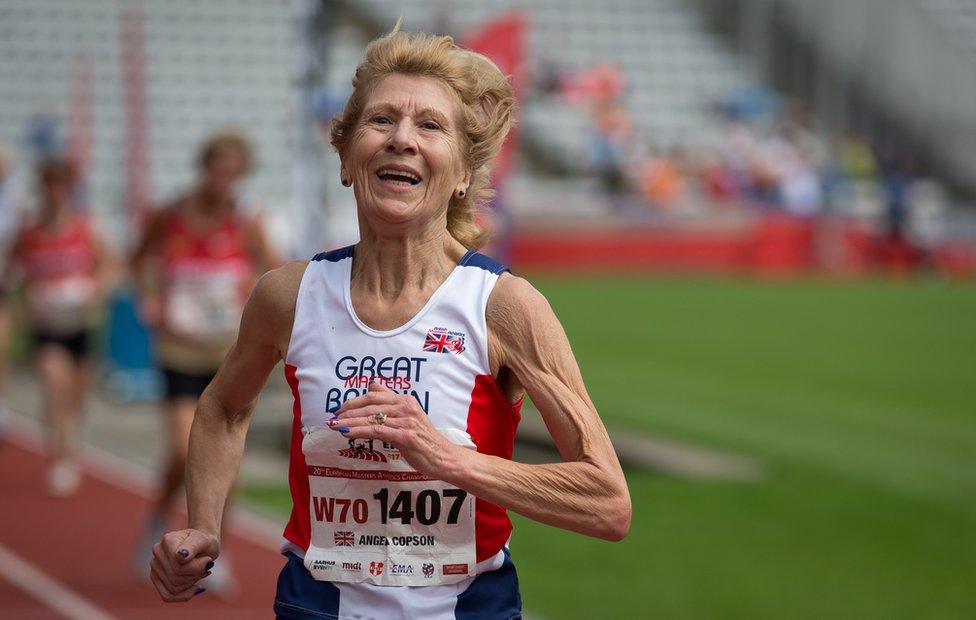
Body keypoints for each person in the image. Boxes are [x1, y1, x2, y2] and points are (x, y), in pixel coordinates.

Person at [149, 29, 631, 617]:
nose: (402, 138)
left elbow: (607, 502)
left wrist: (452, 461)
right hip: (317, 604)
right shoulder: (289, 296)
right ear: (348, 156)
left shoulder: (503, 305)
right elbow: (225, 408)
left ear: (461, 174)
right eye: (381, 120)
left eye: (430, 125)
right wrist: (204, 525)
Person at [132, 131, 280, 588]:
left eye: (233, 172)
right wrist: (149, 296)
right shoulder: (170, 216)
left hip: (227, 355)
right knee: (182, 451)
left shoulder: (245, 220)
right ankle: (158, 524)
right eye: (218, 168)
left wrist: (250, 287)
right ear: (204, 166)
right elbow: (137, 261)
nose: (223, 179)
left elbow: (276, 275)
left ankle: (215, 550)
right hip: (178, 348)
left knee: (223, 464)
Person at [4, 158, 113, 495]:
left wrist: (95, 291)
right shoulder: (29, 233)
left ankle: (69, 437)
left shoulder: (85, 228)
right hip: (47, 325)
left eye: (60, 187)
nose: (54, 194)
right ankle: (62, 456)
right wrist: (21, 305)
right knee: (55, 383)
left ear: (69, 191)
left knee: (75, 398)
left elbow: (111, 266)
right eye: (48, 186)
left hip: (80, 323)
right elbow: (12, 272)